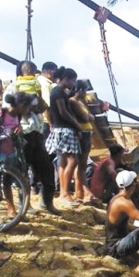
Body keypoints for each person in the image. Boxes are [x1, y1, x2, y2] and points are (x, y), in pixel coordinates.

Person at [9, 92, 59, 215]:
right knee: (23, 173)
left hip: (37, 138)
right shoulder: (16, 113)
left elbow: (44, 106)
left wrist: (37, 97)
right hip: (25, 137)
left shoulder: (35, 109)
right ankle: (25, 204)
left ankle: (47, 203)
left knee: (47, 169)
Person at [44, 67, 82, 208]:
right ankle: (65, 192)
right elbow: (63, 111)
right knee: (72, 160)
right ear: (66, 79)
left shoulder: (57, 91)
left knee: (62, 162)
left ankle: (63, 193)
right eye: (73, 80)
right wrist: (77, 124)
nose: (74, 84)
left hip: (60, 129)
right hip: (65, 129)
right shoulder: (58, 92)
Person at [69, 80, 98, 204]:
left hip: (86, 133)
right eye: (84, 90)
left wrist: (90, 117)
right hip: (82, 134)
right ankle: (83, 192)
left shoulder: (81, 102)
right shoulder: (73, 101)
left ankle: (80, 192)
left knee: (81, 165)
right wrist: (90, 117)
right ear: (79, 90)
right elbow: (86, 117)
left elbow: (90, 116)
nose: (86, 93)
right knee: (80, 165)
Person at [36, 61, 57, 138]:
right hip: (45, 121)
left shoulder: (38, 80)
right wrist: (51, 124)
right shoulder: (45, 84)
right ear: (50, 71)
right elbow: (46, 106)